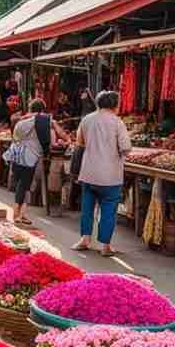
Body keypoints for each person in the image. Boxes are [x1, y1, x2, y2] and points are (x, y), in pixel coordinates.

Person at [72, 91, 131, 257]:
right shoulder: (117, 122)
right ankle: (105, 246)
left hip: (89, 172)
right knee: (108, 210)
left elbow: (80, 142)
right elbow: (125, 148)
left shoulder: (86, 119)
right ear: (115, 105)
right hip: (110, 175)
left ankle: (84, 239)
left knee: (87, 208)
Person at [6, 99, 60, 225]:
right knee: (26, 186)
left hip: (17, 156)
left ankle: (21, 214)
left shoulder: (20, 122)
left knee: (22, 185)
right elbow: (51, 143)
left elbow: (15, 139)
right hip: (31, 157)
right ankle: (17, 214)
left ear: (30, 109)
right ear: (42, 111)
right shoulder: (44, 124)